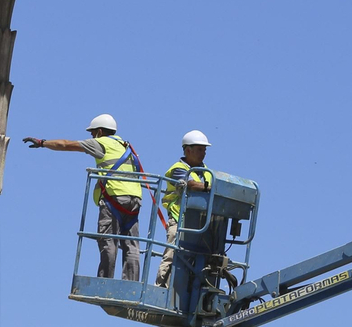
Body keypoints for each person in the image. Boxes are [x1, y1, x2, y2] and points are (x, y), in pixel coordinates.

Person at [23, 115, 143, 280]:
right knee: (131, 246)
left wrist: (43, 143)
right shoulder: (124, 145)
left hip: (114, 198)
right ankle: (132, 284)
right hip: (135, 200)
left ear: (99, 131)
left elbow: (65, 144)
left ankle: (104, 283)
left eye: (93, 133)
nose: (92, 137)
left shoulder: (101, 142)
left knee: (108, 241)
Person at [156, 129, 213, 288]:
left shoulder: (206, 172)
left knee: (201, 258)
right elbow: (191, 184)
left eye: (205, 150)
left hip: (199, 224)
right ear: (188, 150)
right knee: (172, 254)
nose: (204, 153)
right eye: (200, 149)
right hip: (179, 220)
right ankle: (160, 288)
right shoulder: (178, 169)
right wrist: (211, 187)